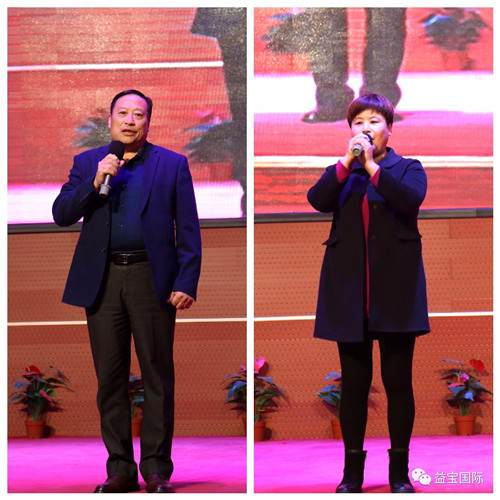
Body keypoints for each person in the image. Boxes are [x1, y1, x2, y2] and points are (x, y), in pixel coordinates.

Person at [53, 89, 202, 493]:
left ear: (148, 122)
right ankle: (119, 468)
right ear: (111, 120)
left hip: (151, 278)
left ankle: (155, 468)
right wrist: (95, 180)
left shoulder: (171, 164)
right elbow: (62, 214)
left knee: (157, 376)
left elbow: (188, 228)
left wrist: (185, 281)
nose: (130, 120)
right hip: (102, 281)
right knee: (110, 378)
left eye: (139, 114)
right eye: (123, 113)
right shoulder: (88, 163)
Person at [307, 94, 429, 493]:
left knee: (398, 383)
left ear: (389, 129)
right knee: (355, 386)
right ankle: (352, 474)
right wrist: (348, 163)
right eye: (358, 122)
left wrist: (373, 166)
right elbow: (317, 200)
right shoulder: (342, 172)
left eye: (374, 121)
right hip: (350, 295)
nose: (365, 128)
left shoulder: (407, 168)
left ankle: (399, 473)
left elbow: (409, 200)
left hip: (396, 293)